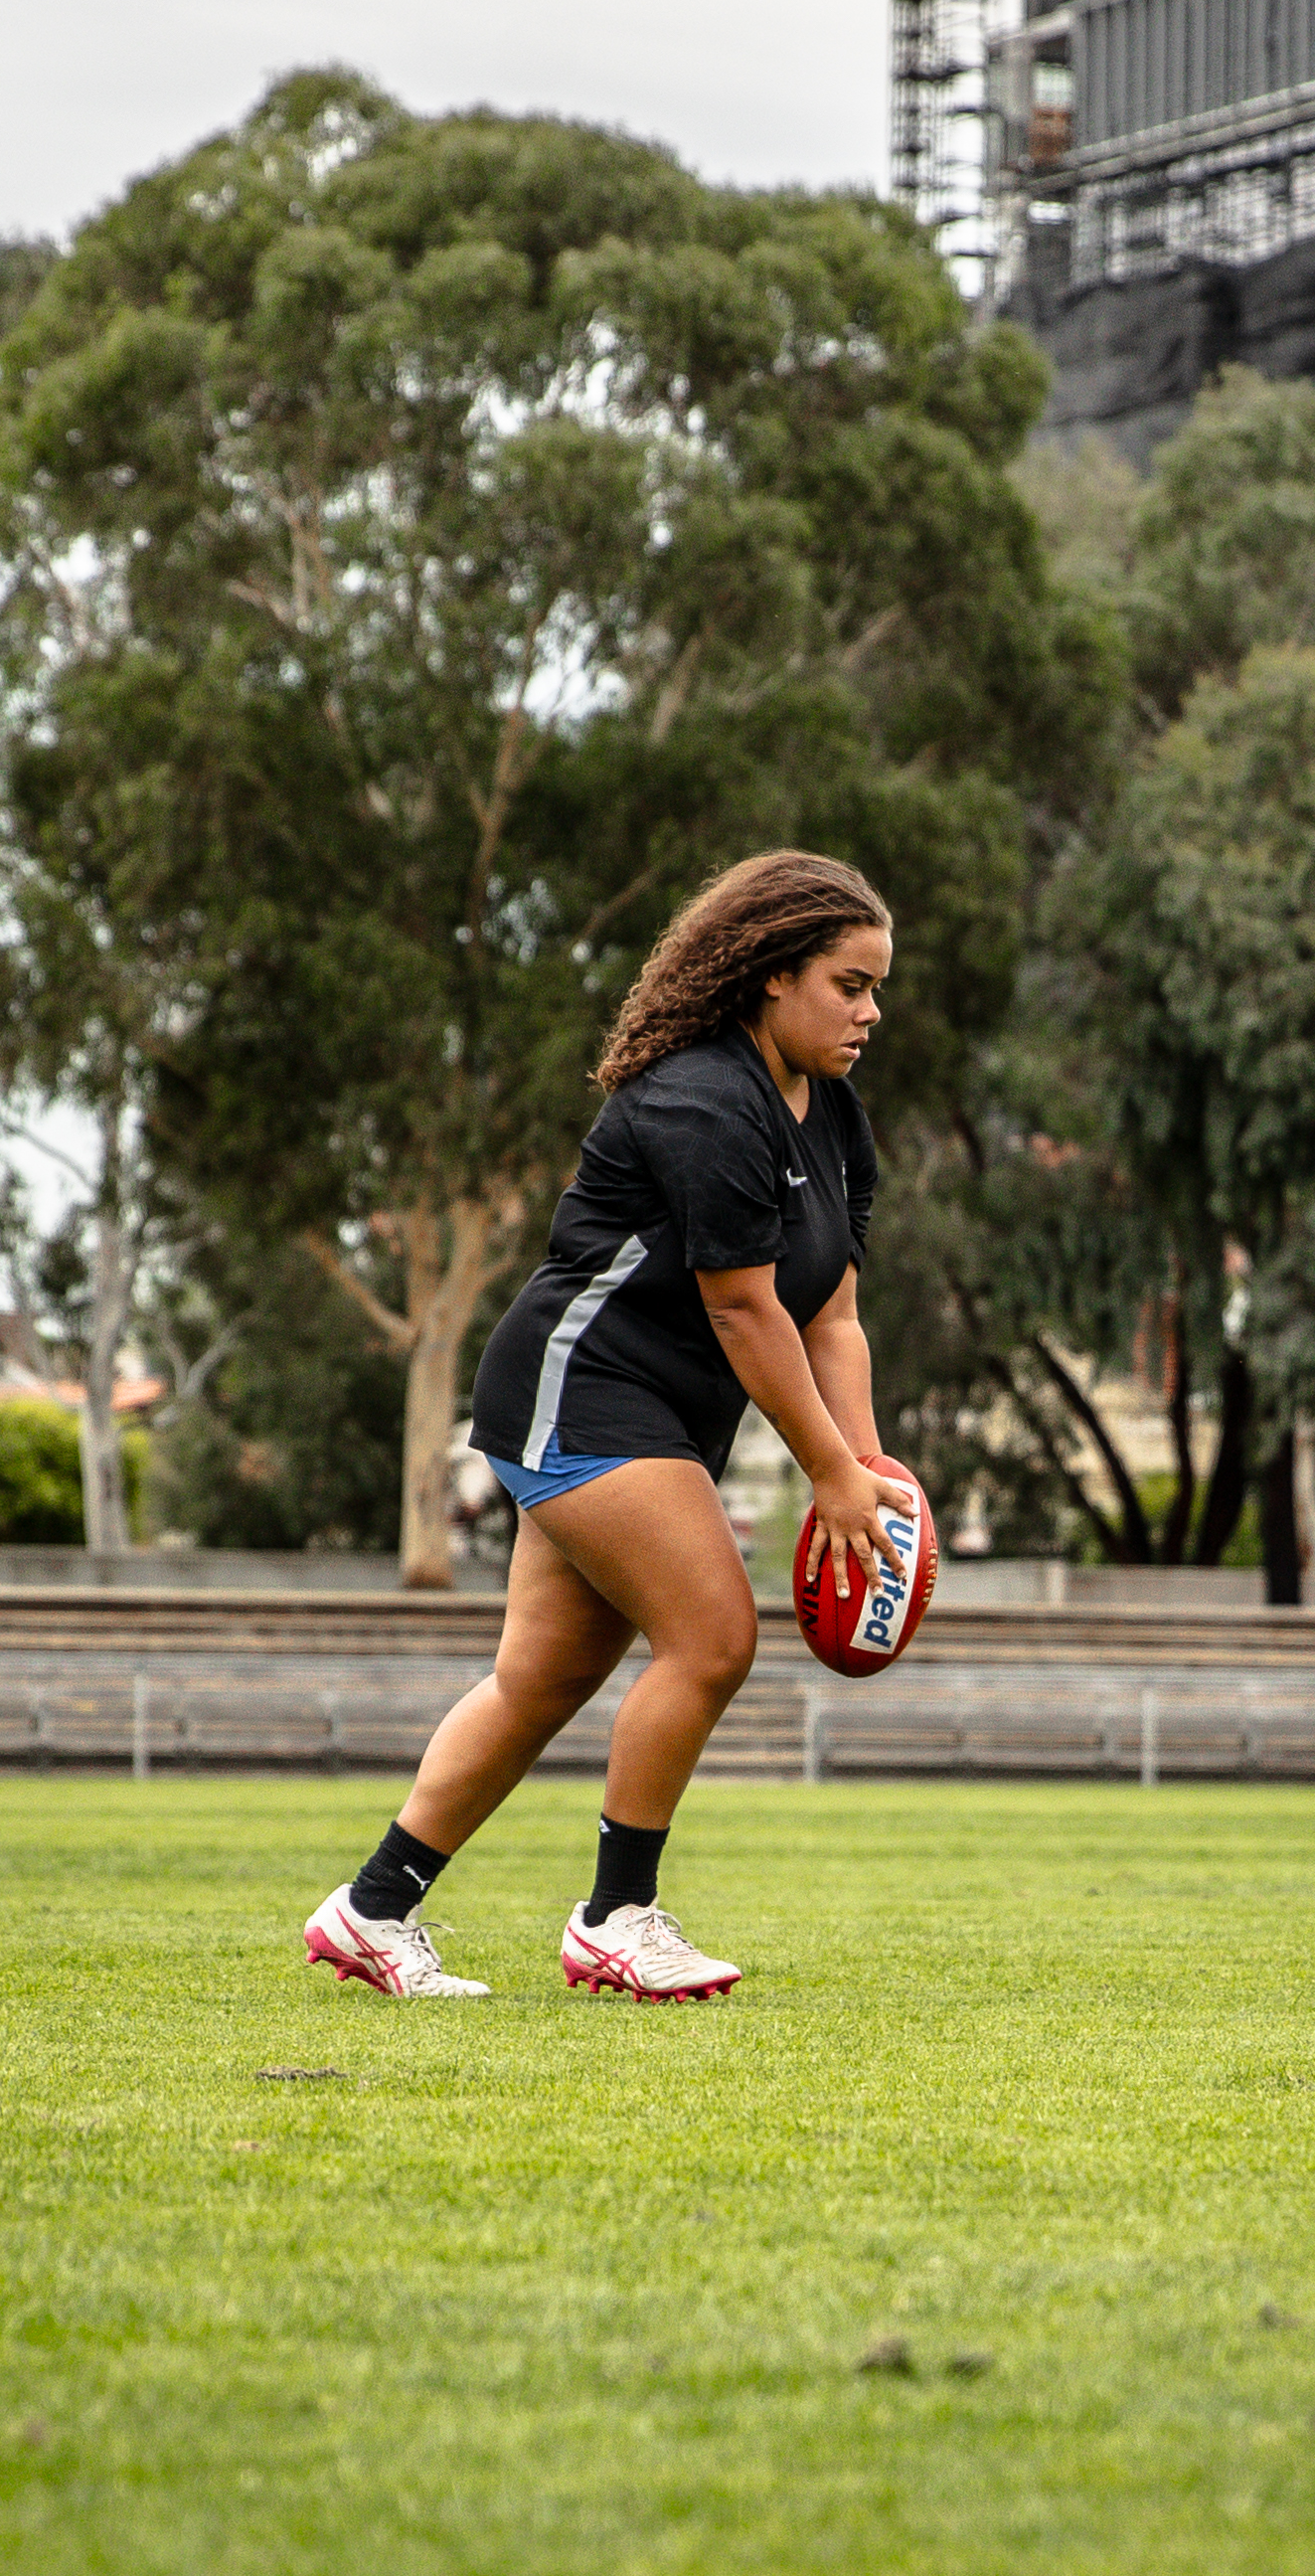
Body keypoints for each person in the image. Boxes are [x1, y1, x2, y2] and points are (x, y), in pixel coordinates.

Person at [303, 852, 913, 2001]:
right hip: (581, 1389)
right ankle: (616, 1916)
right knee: (714, 1636)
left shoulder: (831, 1112)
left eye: (878, 986)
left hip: (660, 1413)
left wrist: (865, 1464)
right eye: (851, 983)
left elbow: (830, 1310)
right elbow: (742, 1305)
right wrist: (822, 1467)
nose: (871, 1011)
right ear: (771, 975)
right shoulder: (700, 1096)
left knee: (536, 1681)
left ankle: (371, 1908)